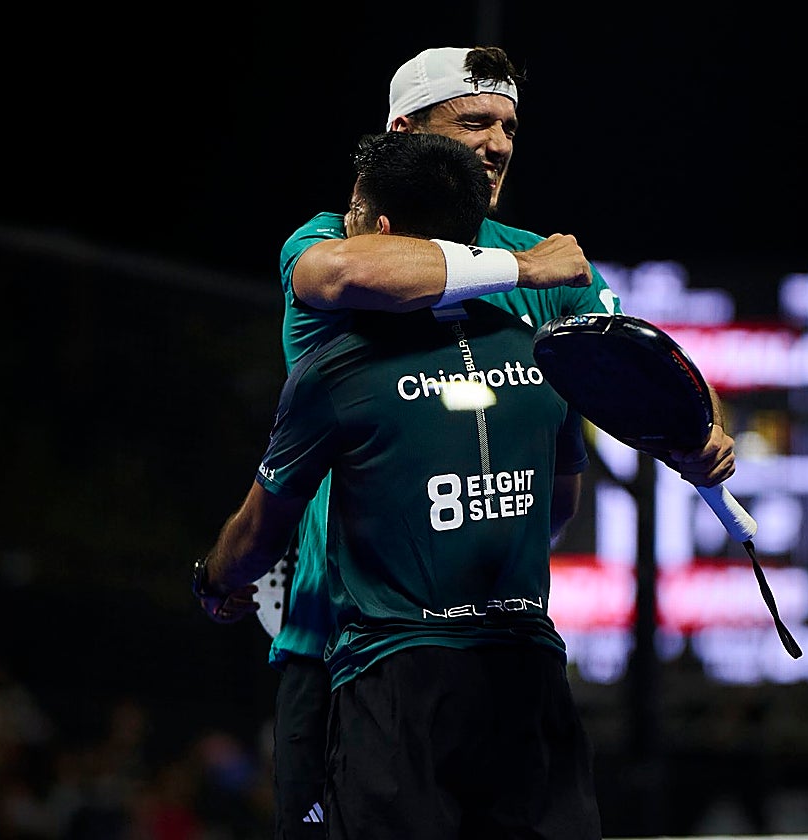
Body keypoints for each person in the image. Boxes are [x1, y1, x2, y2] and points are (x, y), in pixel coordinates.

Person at [251, 46, 736, 838]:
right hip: (339, 642)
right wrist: (520, 268)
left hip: (501, 642)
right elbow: (339, 276)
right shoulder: (333, 239)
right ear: (405, 131)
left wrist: (698, 425)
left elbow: (649, 354)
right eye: (474, 120)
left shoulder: (545, 261)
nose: (499, 143)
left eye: (509, 125)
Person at [195, 129, 602, 839]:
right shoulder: (546, 356)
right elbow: (556, 509)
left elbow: (261, 534)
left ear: (382, 230)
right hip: (529, 671)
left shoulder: (336, 370)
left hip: (394, 681)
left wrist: (214, 578)